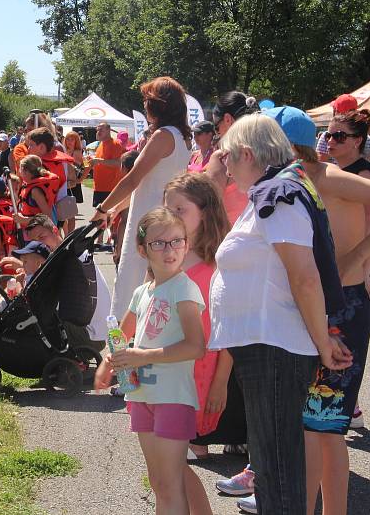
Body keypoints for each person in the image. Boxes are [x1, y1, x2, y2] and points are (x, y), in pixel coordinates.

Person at [209, 114, 352, 514]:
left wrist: (323, 342)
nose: (225, 165)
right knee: (272, 464)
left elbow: (305, 276)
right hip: (266, 346)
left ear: (248, 154)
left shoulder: (278, 193)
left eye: (227, 157)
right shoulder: (277, 190)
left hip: (275, 348)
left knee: (278, 466)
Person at [263, 106, 370, 514]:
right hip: (314, 306)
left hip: (343, 310)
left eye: (336, 136)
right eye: (325, 136)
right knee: (317, 427)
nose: (329, 143)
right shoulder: (288, 180)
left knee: (321, 426)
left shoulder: (327, 175)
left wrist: (362, 255)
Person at [94, 207, 208, 515]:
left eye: (176, 241)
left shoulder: (184, 289)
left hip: (172, 398)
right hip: (141, 395)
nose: (169, 249)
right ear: (143, 250)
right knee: (159, 483)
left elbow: (196, 346)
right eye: (159, 243)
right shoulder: (143, 292)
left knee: (170, 485)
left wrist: (140, 356)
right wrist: (108, 361)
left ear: (186, 244)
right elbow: (123, 331)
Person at [89, 76, 193, 322]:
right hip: (163, 218)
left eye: (147, 100)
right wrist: (118, 209)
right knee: (151, 289)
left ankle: (120, 350)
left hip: (148, 221)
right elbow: (149, 184)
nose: (145, 105)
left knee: (130, 285)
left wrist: (103, 208)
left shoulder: (163, 136)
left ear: (158, 105)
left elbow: (133, 180)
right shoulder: (182, 137)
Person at [162, 173, 232, 460]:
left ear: (205, 213)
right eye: (168, 209)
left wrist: (221, 381)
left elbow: (227, 327)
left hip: (203, 363)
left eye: (181, 209)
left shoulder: (220, 263)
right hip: (165, 359)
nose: (172, 216)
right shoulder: (163, 253)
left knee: (188, 436)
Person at [20, 214, 111, 352]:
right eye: (35, 241)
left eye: (42, 237)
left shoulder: (66, 260)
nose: (40, 244)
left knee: (36, 317)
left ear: (55, 231)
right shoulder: (71, 253)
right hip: (98, 332)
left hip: (88, 336)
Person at [204, 91, 259, 223]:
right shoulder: (271, 153)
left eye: (216, 127)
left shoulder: (222, 158)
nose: (217, 133)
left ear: (228, 119)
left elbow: (208, 209)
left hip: (231, 237)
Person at [15, 155, 58, 227]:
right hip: (29, 230)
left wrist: (24, 220)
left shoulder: (35, 191)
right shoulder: (27, 185)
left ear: (26, 172)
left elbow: (47, 217)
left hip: (38, 233)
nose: (19, 172)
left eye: (20, 169)